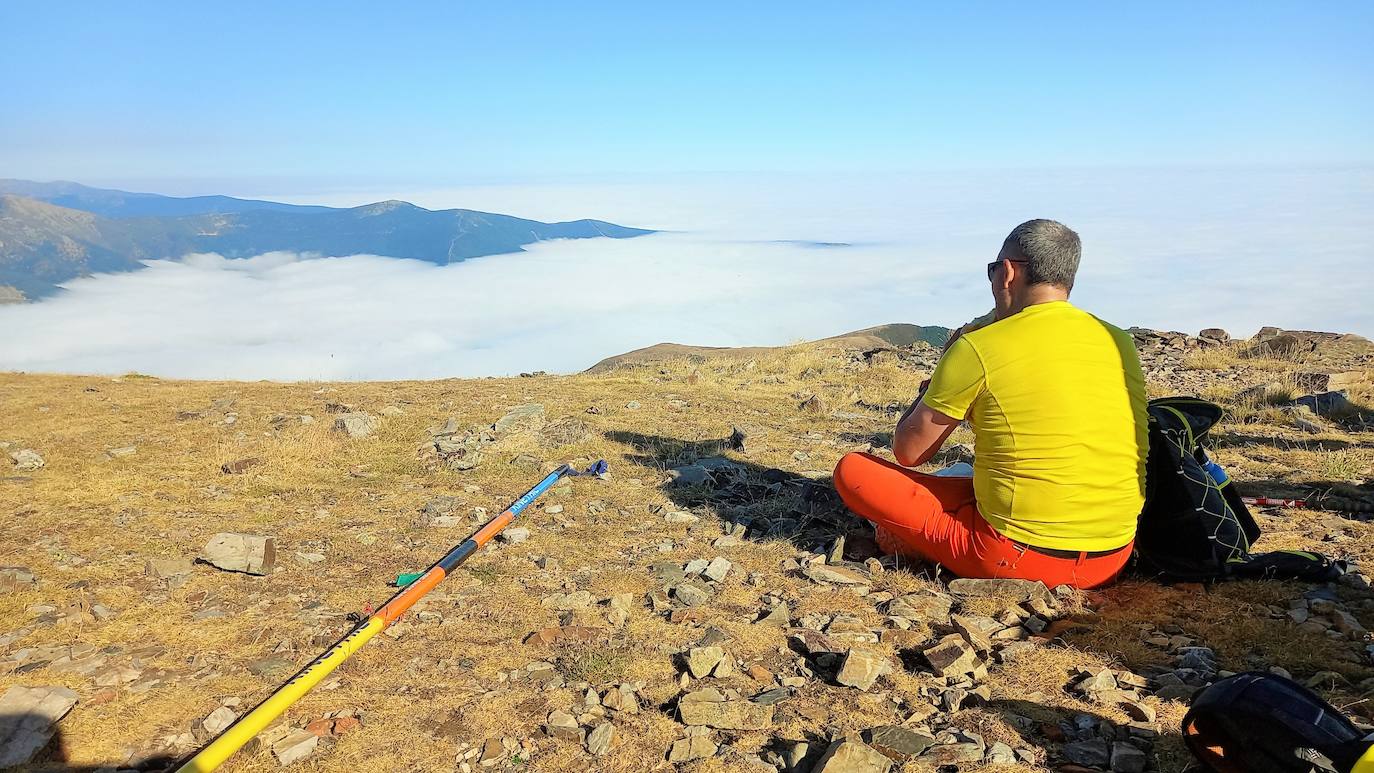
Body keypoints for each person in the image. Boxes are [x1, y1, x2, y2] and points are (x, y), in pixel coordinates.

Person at [832, 219, 1149, 588]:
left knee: (853, 471)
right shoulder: (1117, 340)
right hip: (1113, 554)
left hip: (1016, 558)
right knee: (969, 477)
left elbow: (909, 451)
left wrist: (936, 379)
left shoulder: (978, 347)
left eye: (993, 269)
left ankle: (917, 540)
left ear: (1008, 272)